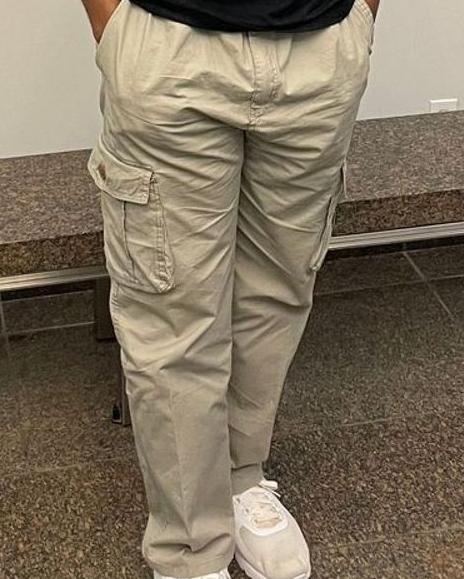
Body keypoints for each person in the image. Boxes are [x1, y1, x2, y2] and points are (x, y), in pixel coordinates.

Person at [82, 0, 379, 577]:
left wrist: (362, 14)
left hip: (320, 45)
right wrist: (109, 20)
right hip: (169, 41)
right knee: (174, 317)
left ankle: (241, 478)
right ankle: (189, 546)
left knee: (276, 293)